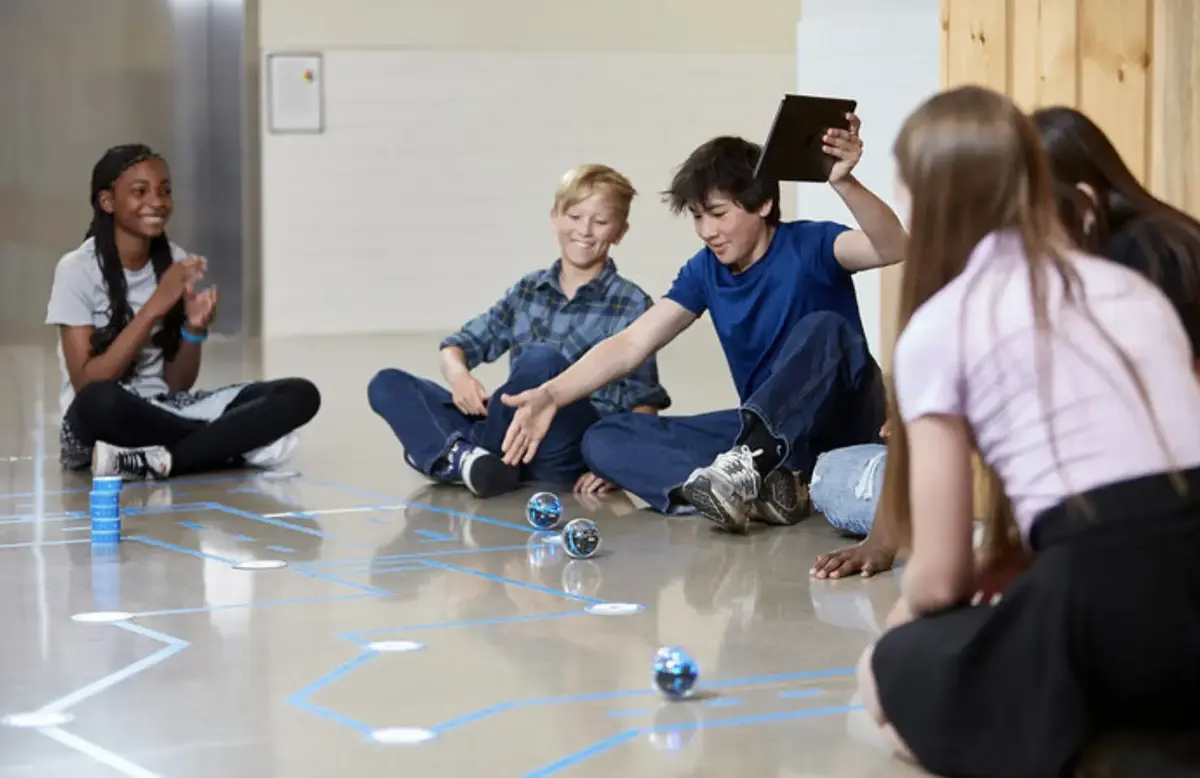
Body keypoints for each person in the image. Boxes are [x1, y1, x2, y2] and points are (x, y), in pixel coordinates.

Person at [856, 85, 1200, 778]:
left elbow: (944, 577)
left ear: (933, 200)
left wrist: (899, 629)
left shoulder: (942, 325)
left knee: (888, 669)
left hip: (1100, 600)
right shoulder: (1131, 289)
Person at [811, 103, 1200, 580]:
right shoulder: (1017, 279)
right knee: (832, 473)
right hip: (1083, 515)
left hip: (1141, 516)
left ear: (1080, 200)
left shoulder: (1147, 262)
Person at [499, 120, 907, 533]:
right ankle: (751, 491)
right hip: (766, 442)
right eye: (697, 217)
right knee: (606, 436)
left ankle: (747, 472)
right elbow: (632, 342)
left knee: (826, 328)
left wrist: (845, 182)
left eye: (717, 214)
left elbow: (894, 246)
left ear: (762, 204)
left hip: (841, 426)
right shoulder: (704, 271)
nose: (707, 231)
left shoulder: (812, 245)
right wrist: (552, 394)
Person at [366, 164, 670, 498]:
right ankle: (468, 458)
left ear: (619, 232)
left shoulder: (631, 303)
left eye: (600, 222)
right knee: (388, 383)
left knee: (541, 359)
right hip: (505, 429)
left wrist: (618, 467)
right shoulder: (528, 289)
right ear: (554, 218)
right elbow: (458, 346)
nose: (584, 230)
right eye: (574, 216)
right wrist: (459, 377)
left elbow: (644, 402)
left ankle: (446, 452)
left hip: (564, 446)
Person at [46, 144, 321, 479]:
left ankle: (165, 460)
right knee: (99, 401)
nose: (157, 202)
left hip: (165, 409)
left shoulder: (174, 262)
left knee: (299, 394)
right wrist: (154, 307)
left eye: (165, 191)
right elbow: (88, 381)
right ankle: (230, 446)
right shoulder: (76, 269)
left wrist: (193, 329)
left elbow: (177, 385)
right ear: (107, 202)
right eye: (140, 192)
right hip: (101, 423)